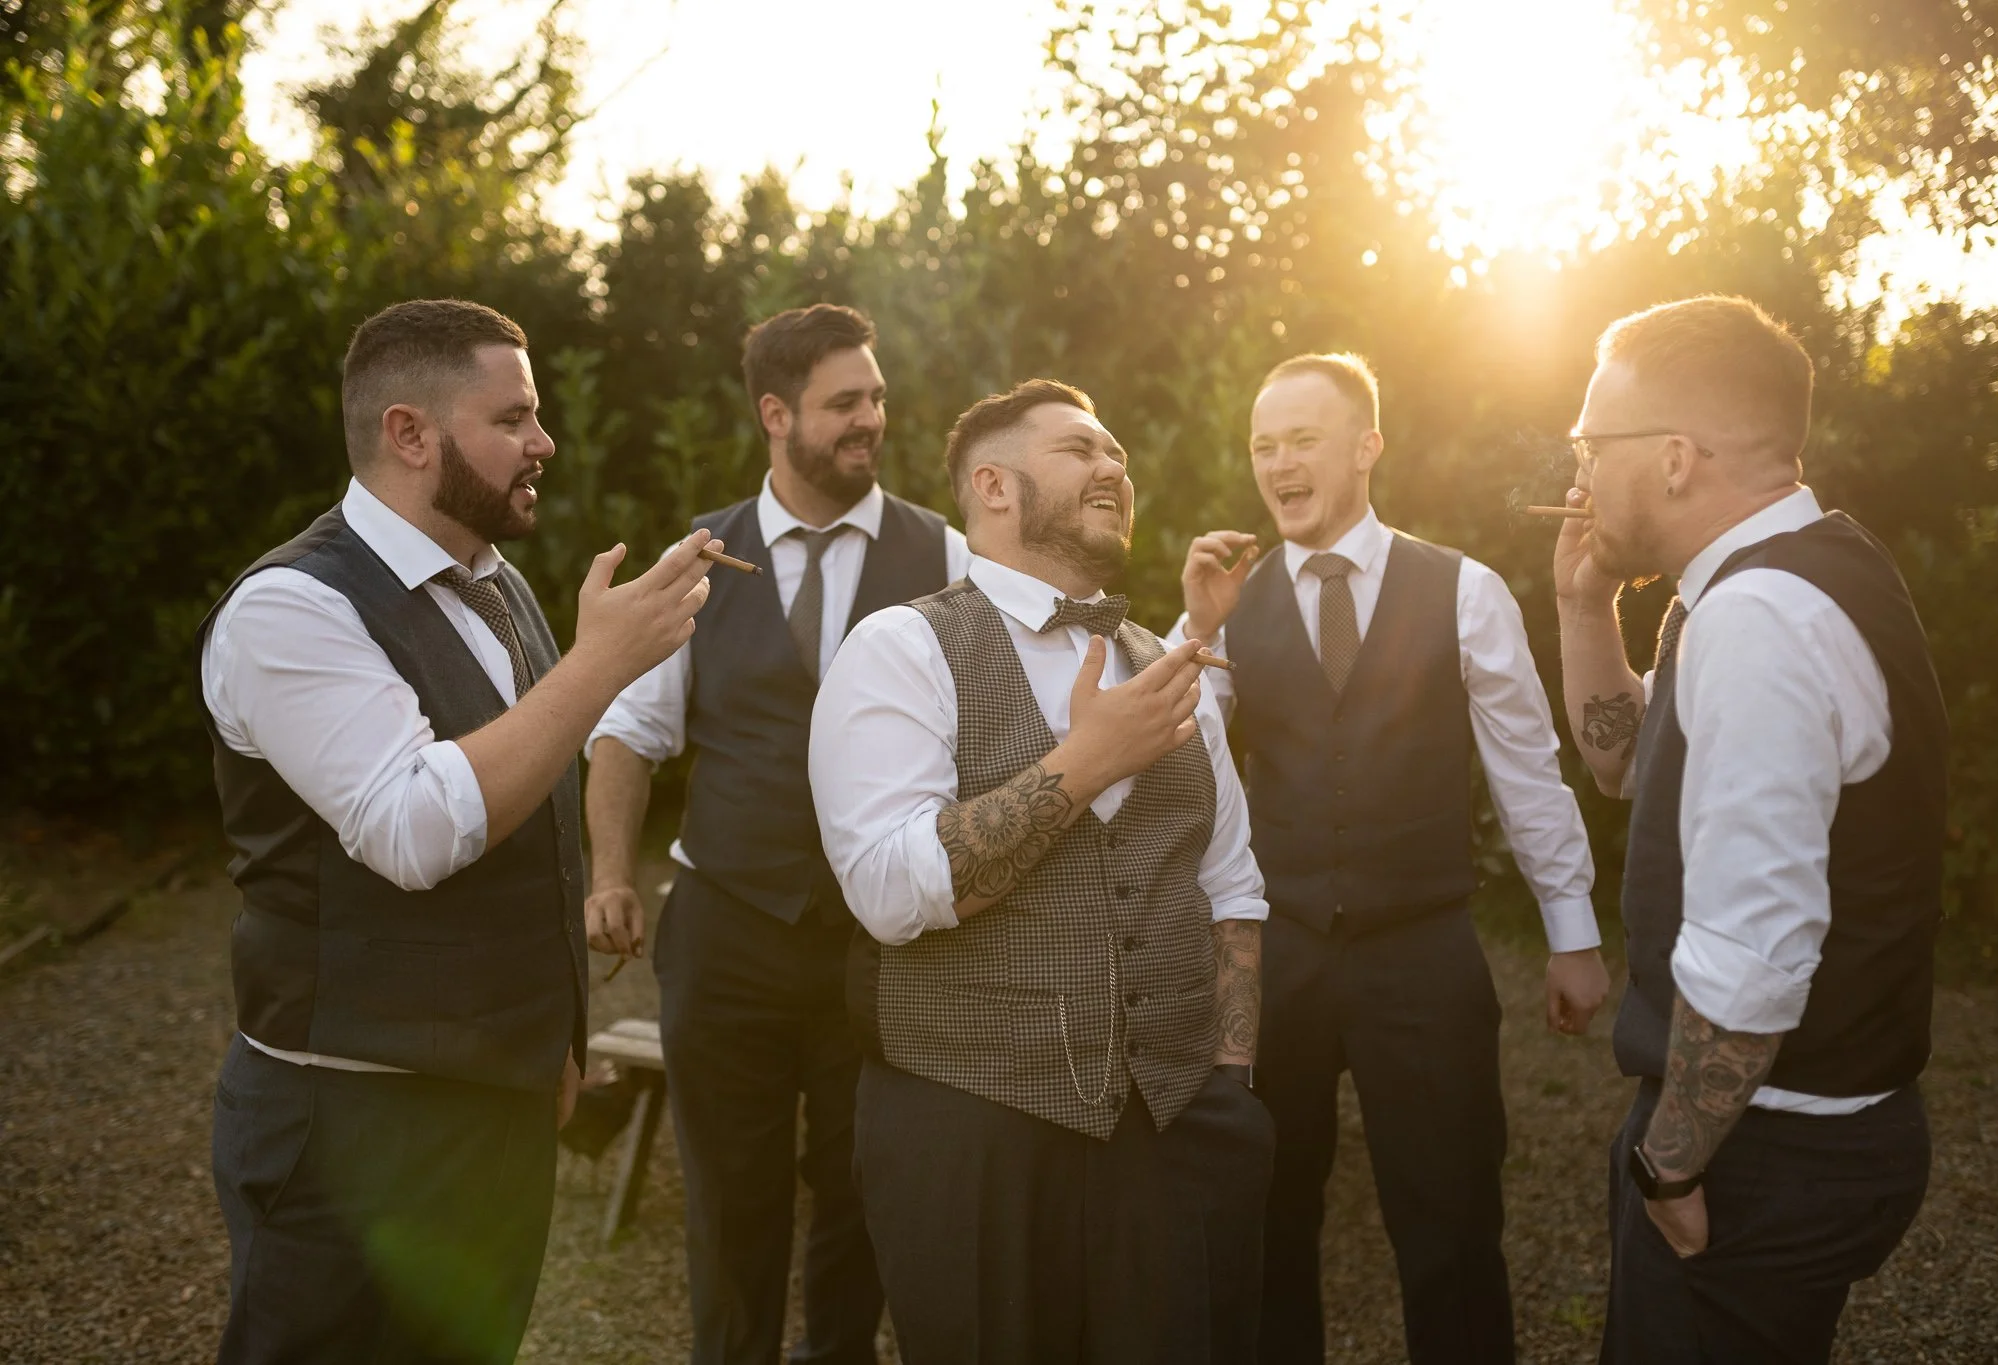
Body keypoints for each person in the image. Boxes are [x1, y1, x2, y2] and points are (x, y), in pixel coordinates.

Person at [199, 298, 719, 1364]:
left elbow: (531, 830)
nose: (545, 442)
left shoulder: (495, 585)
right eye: (514, 418)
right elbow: (413, 827)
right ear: (409, 434)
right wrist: (598, 666)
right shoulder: (289, 609)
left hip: (497, 1111)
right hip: (351, 1130)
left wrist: (551, 1050)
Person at [810, 379, 1274, 1363]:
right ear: (994, 487)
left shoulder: (1168, 665)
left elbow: (1227, 882)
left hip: (1171, 1128)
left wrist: (1227, 1075)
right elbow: (891, 893)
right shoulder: (900, 648)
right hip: (970, 1128)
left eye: (1117, 452)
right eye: (1078, 450)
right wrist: (1084, 761)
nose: (1113, 466)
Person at [1174, 352, 1607, 1365]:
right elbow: (1167, 751)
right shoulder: (1229, 604)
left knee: (1450, 1227)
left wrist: (1572, 934)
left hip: (1421, 954)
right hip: (1276, 957)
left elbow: (1525, 772)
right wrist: (1194, 630)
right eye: (1261, 446)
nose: (1278, 464)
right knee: (1266, 1221)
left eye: (1302, 441)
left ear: (1366, 447)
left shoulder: (1463, 590)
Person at [1553, 295, 1944, 1364]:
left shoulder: (1757, 617)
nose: (1576, 474)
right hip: (1787, 1134)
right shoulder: (1766, 576)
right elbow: (1625, 764)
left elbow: (1753, 949)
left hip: (1764, 1150)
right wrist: (1584, 607)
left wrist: (1669, 1165)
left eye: (1591, 442)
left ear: (1674, 458)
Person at [582, 304, 969, 1365]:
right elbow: (628, 730)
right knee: (730, 1203)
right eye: (844, 402)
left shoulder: (944, 553)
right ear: (774, 413)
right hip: (727, 933)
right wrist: (609, 873)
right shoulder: (699, 559)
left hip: (882, 940)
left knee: (864, 1194)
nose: (870, 421)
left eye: (876, 398)